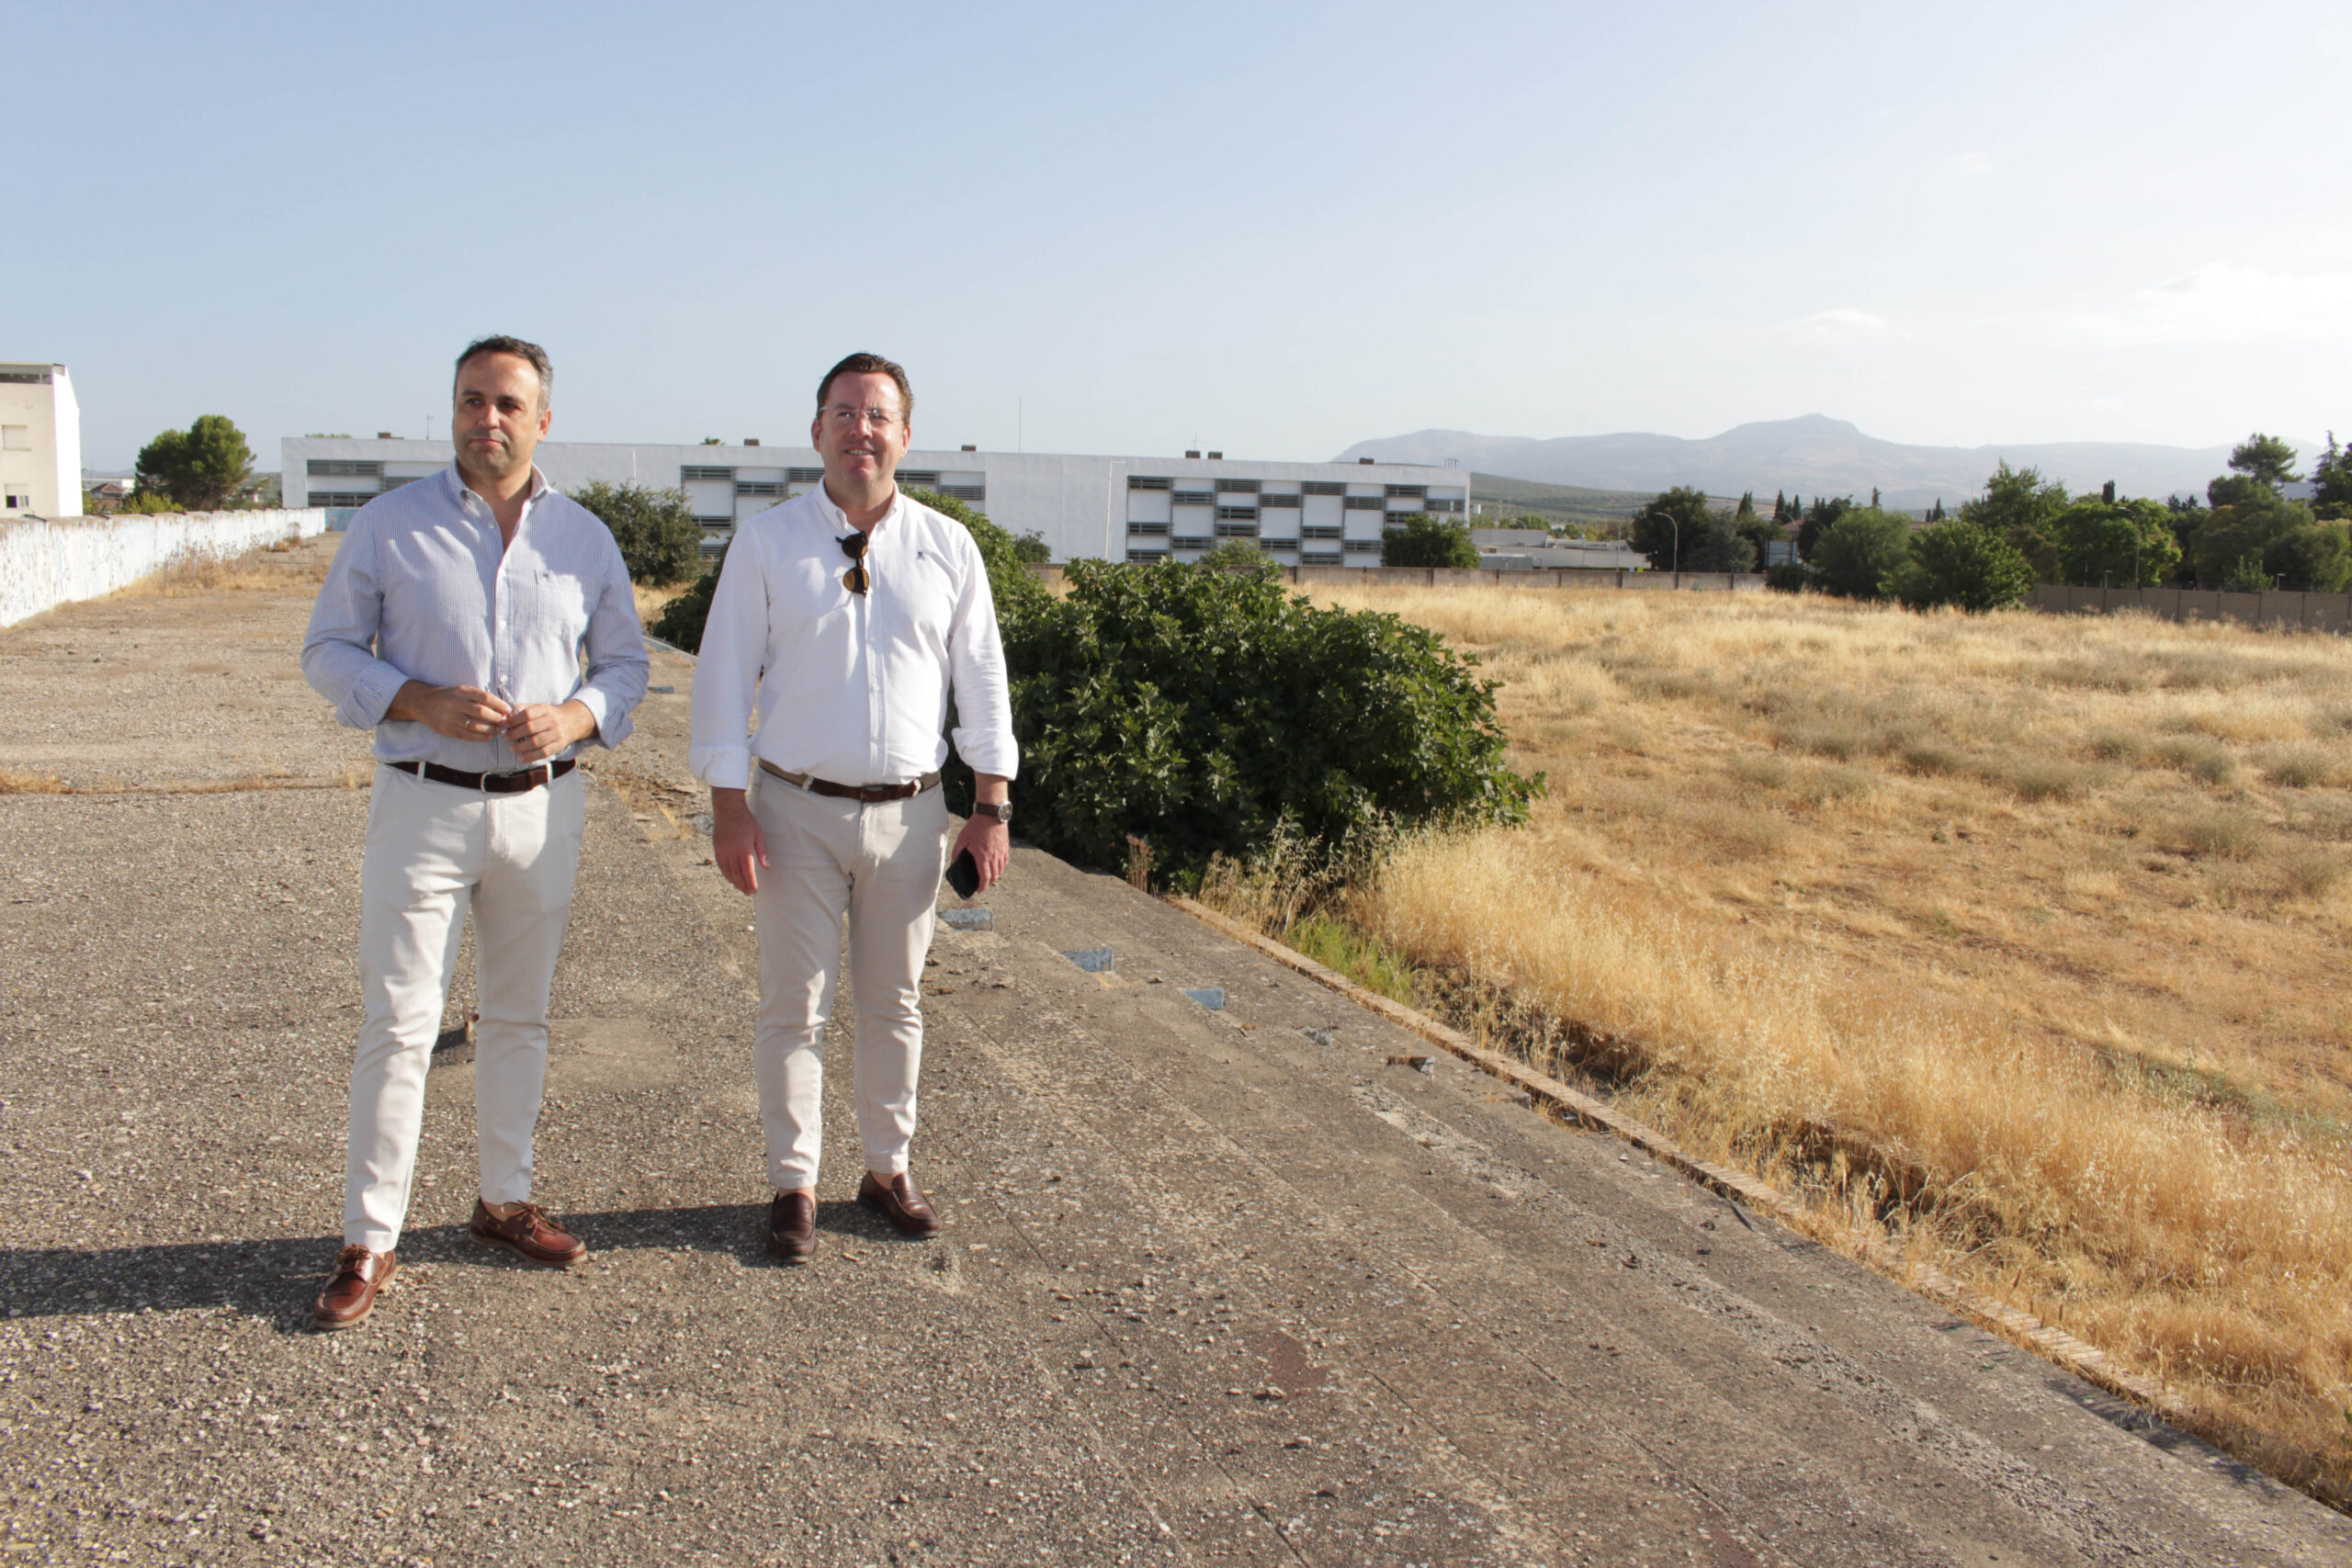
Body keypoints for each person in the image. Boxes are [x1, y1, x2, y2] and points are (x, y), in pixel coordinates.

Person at [300, 334, 649, 1328]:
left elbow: (625, 667)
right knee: (400, 1022)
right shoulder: (389, 524)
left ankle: (504, 1201)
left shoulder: (583, 537)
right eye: (469, 401)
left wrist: (574, 718)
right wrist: (413, 697)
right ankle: (370, 1239)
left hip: (543, 807)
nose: (483, 421)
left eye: (505, 405)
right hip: (422, 799)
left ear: (542, 420)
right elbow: (326, 651)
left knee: (519, 1017)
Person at [690, 351, 1015, 1264]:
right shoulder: (767, 541)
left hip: (913, 815)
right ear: (818, 430)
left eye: (877, 415)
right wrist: (728, 808)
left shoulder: (947, 547)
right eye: (843, 412)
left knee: (894, 1002)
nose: (859, 430)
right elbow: (720, 679)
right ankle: (793, 1184)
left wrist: (992, 805)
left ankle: (886, 1170)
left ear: (904, 435)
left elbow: (981, 680)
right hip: (792, 809)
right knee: (793, 1008)